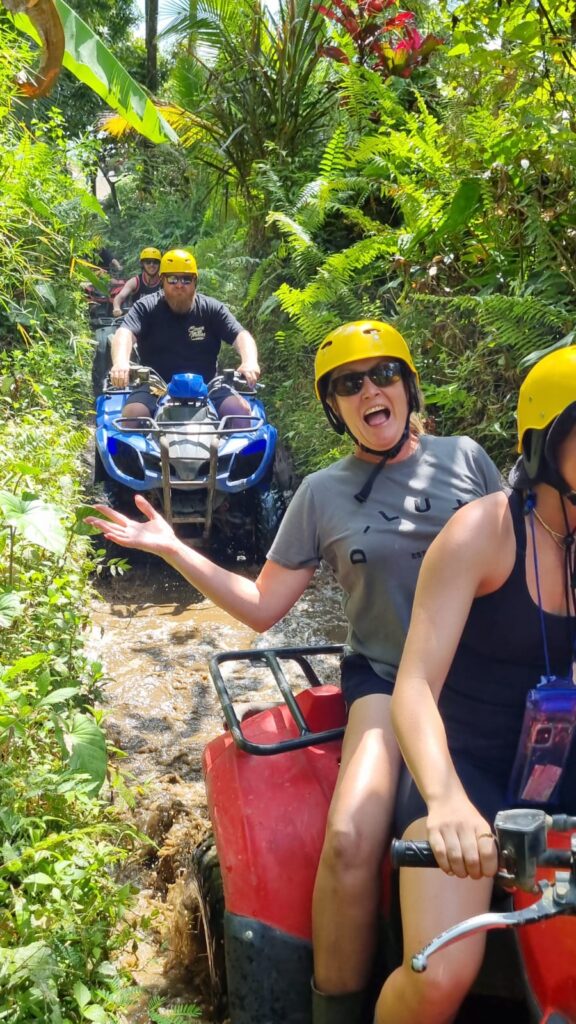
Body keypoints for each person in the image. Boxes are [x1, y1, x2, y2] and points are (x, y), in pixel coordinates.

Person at [86, 319, 502, 1024]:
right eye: (349, 384)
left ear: (408, 385)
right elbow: (261, 606)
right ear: (334, 407)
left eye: (383, 375)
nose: (370, 389)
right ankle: (333, 1010)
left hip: (485, 677)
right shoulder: (321, 493)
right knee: (348, 839)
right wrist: (175, 549)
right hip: (387, 678)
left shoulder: (467, 459)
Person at [382, 347, 576, 1024]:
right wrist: (447, 803)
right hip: (466, 772)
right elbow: (412, 687)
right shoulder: (483, 533)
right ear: (546, 442)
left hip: (562, 773)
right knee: (439, 973)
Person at [109, 247, 260, 424]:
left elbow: (241, 335)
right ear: (162, 281)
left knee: (240, 412)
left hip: (208, 385)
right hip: (155, 385)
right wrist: (120, 363)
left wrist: (249, 361)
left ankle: (232, 452)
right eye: (172, 279)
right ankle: (138, 453)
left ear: (195, 282)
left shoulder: (211, 308)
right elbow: (124, 333)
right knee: (133, 415)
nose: (179, 284)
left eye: (186, 279)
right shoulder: (145, 307)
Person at [111, 246, 162, 316]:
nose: (152, 265)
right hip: (138, 320)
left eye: (155, 262)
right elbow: (120, 296)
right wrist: (116, 308)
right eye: (148, 262)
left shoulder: (164, 282)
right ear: (142, 264)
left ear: (159, 264)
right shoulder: (135, 281)